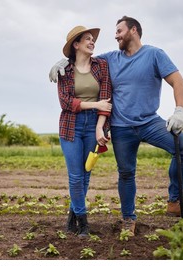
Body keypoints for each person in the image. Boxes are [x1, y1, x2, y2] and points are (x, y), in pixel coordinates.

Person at [49, 16, 183, 236]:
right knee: (126, 173)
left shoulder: (155, 55)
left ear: (133, 30)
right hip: (121, 127)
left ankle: (175, 201)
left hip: (149, 121)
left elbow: (178, 81)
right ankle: (128, 218)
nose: (115, 35)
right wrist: (63, 61)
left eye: (119, 31)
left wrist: (180, 110)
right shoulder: (110, 59)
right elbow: (84, 62)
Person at [55, 25, 112, 238]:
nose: (92, 42)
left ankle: (72, 216)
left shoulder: (102, 66)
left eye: (92, 39)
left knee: (86, 174)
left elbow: (106, 100)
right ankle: (83, 223)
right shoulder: (64, 70)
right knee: (76, 176)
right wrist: (95, 105)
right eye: (87, 39)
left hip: (94, 125)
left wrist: (100, 127)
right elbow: (66, 102)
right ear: (76, 45)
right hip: (71, 125)